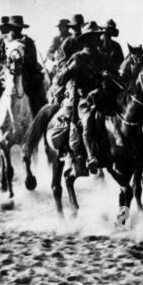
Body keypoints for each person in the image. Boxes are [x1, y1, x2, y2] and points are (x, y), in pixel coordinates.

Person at [52, 22, 107, 176]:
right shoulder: (78, 57)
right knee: (88, 119)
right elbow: (60, 79)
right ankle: (90, 157)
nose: (96, 40)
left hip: (103, 96)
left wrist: (112, 76)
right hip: (84, 98)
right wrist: (70, 70)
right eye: (92, 37)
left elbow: (113, 74)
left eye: (97, 36)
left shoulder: (103, 56)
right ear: (86, 39)